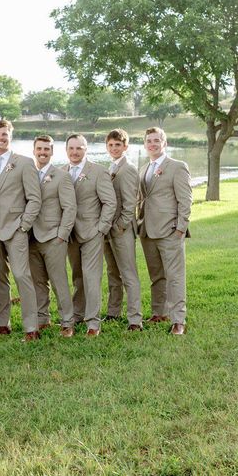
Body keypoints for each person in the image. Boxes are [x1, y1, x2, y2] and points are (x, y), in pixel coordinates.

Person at [0, 119, 41, 339]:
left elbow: (34, 198)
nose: (1, 138)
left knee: (22, 275)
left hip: (15, 229)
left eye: (5, 134)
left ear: (10, 136)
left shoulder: (24, 163)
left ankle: (31, 327)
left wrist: (24, 226)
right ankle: (3, 324)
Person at [137, 126, 192, 335]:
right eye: (149, 141)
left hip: (169, 230)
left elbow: (185, 200)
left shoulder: (177, 167)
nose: (152, 144)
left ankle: (179, 320)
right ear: (145, 144)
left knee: (175, 276)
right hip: (147, 231)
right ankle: (160, 313)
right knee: (156, 276)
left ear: (164, 143)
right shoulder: (144, 169)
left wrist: (180, 228)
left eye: (156, 141)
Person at [62, 134, 116, 337]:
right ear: (66, 150)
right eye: (71, 148)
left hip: (92, 232)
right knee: (77, 276)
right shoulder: (61, 172)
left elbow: (110, 203)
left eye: (79, 148)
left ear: (86, 150)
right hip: (70, 234)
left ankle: (93, 322)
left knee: (91, 277)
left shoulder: (98, 171)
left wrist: (101, 228)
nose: (75, 152)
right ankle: (77, 314)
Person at [28, 136, 76, 334]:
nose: (42, 152)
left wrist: (62, 235)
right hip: (31, 237)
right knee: (38, 282)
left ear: (52, 152)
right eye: (39, 148)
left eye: (46, 149)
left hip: (53, 237)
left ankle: (67, 322)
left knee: (59, 282)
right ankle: (43, 318)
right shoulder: (28, 174)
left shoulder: (61, 176)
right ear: (34, 151)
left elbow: (70, 207)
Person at [103, 129, 143, 330]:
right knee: (113, 272)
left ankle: (135, 319)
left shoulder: (128, 169)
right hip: (108, 230)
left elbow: (130, 203)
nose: (114, 148)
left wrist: (120, 226)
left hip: (122, 230)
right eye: (110, 145)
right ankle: (113, 312)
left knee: (128, 274)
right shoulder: (112, 167)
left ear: (125, 146)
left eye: (118, 145)